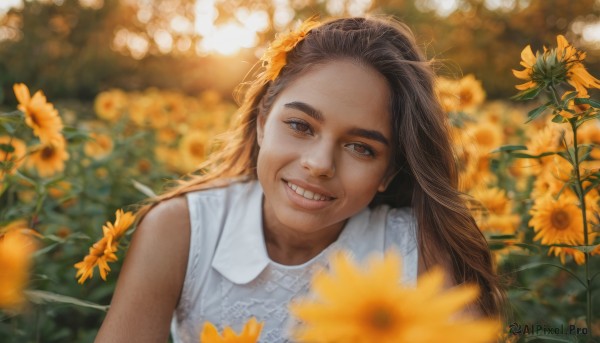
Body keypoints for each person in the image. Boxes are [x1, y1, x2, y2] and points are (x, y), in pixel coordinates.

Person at [95, 15, 504, 343]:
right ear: (261, 124)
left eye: (362, 148)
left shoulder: (418, 249)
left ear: (388, 173)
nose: (319, 163)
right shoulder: (181, 229)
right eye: (300, 125)